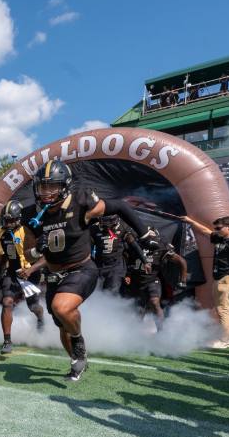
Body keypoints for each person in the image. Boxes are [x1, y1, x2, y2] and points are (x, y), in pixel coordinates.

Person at [19, 159, 158, 381]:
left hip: (81, 268)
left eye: (52, 186)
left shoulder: (80, 202)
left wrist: (143, 234)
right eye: (42, 186)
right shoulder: (31, 214)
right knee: (62, 324)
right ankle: (77, 360)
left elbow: (120, 206)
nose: (46, 192)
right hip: (54, 274)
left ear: (64, 185)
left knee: (61, 308)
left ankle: (79, 341)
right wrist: (38, 248)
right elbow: (28, 255)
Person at [181, 215, 229, 348]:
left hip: (228, 277)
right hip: (220, 278)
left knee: (223, 309)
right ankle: (224, 337)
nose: (216, 230)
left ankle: (226, 339)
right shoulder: (221, 238)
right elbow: (206, 231)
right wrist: (191, 221)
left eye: (219, 228)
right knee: (221, 309)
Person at [0, 200, 45, 353]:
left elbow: (36, 256)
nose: (8, 223)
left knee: (33, 306)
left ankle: (41, 318)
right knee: (7, 302)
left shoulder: (26, 232)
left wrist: (29, 270)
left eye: (11, 220)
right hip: (13, 272)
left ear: (18, 218)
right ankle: (7, 340)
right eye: (6, 220)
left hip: (30, 272)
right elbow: (2, 258)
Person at [123, 238, 187, 332]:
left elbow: (181, 261)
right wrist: (127, 274)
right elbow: (124, 259)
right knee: (138, 312)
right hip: (136, 283)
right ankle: (135, 336)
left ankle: (162, 332)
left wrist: (183, 280)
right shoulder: (133, 246)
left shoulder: (161, 248)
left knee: (154, 302)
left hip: (152, 280)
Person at [89, 215, 132, 294]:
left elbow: (130, 251)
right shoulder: (94, 228)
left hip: (116, 266)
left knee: (111, 292)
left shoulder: (123, 227)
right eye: (104, 225)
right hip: (99, 265)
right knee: (95, 292)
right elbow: (87, 250)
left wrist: (128, 273)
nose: (107, 228)